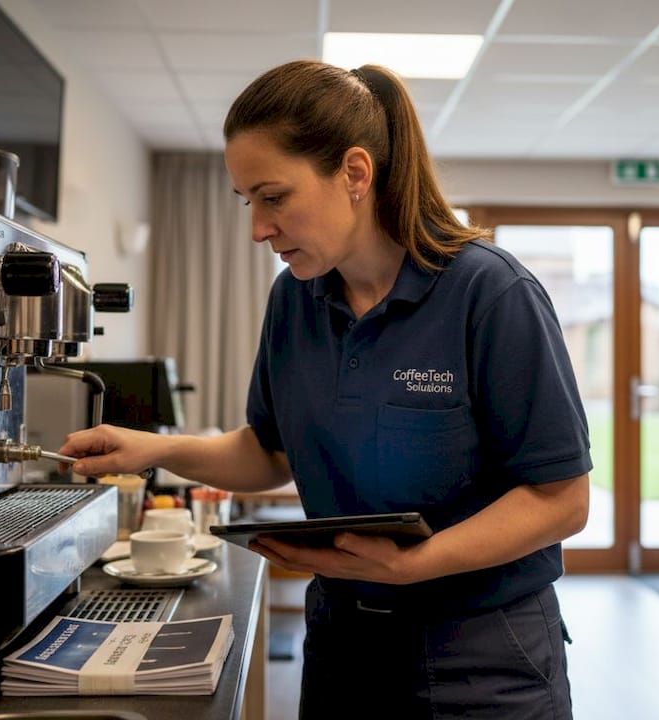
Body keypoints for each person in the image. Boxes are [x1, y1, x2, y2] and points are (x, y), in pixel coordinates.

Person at [59, 60, 591, 720]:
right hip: (344, 641)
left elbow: (562, 500)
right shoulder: (294, 301)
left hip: (481, 656)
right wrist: (151, 448)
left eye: (274, 197)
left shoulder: (491, 294)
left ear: (356, 175)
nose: (257, 228)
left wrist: (416, 564)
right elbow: (267, 452)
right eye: (247, 201)